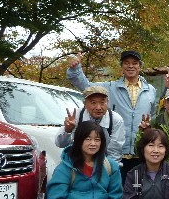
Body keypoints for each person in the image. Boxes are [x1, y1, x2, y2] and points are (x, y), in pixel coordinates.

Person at [67, 50, 157, 179]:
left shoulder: (151, 90)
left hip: (141, 152)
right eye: (126, 63)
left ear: (140, 66)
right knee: (116, 187)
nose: (130, 66)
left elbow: (153, 115)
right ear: (121, 66)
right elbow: (86, 86)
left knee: (140, 188)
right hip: (116, 153)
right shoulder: (110, 87)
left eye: (134, 63)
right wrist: (76, 69)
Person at [56, 85, 125, 165]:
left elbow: (115, 152)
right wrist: (67, 130)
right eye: (93, 103)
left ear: (107, 103)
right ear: (85, 104)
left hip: (104, 162)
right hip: (77, 162)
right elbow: (60, 144)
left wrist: (108, 169)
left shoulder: (115, 120)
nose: (98, 107)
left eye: (102, 102)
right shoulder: (76, 117)